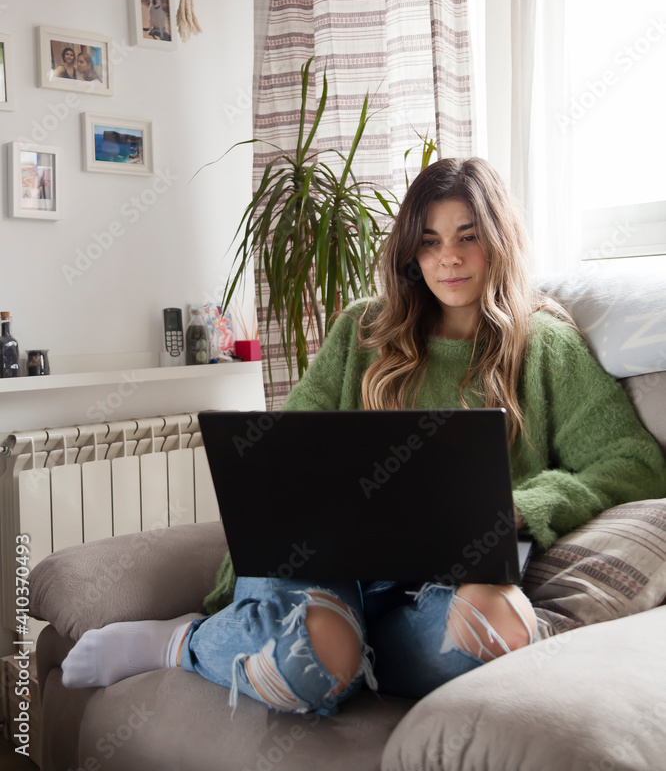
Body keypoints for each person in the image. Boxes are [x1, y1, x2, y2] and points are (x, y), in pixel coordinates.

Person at [61, 157, 666, 716]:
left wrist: (524, 508)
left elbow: (633, 463)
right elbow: (282, 456)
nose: (448, 259)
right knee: (320, 645)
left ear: (498, 243)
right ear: (411, 253)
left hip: (434, 591)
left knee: (502, 625)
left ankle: (348, 657)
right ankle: (186, 641)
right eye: (429, 242)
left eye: (467, 236)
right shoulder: (362, 332)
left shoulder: (545, 349)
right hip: (324, 565)